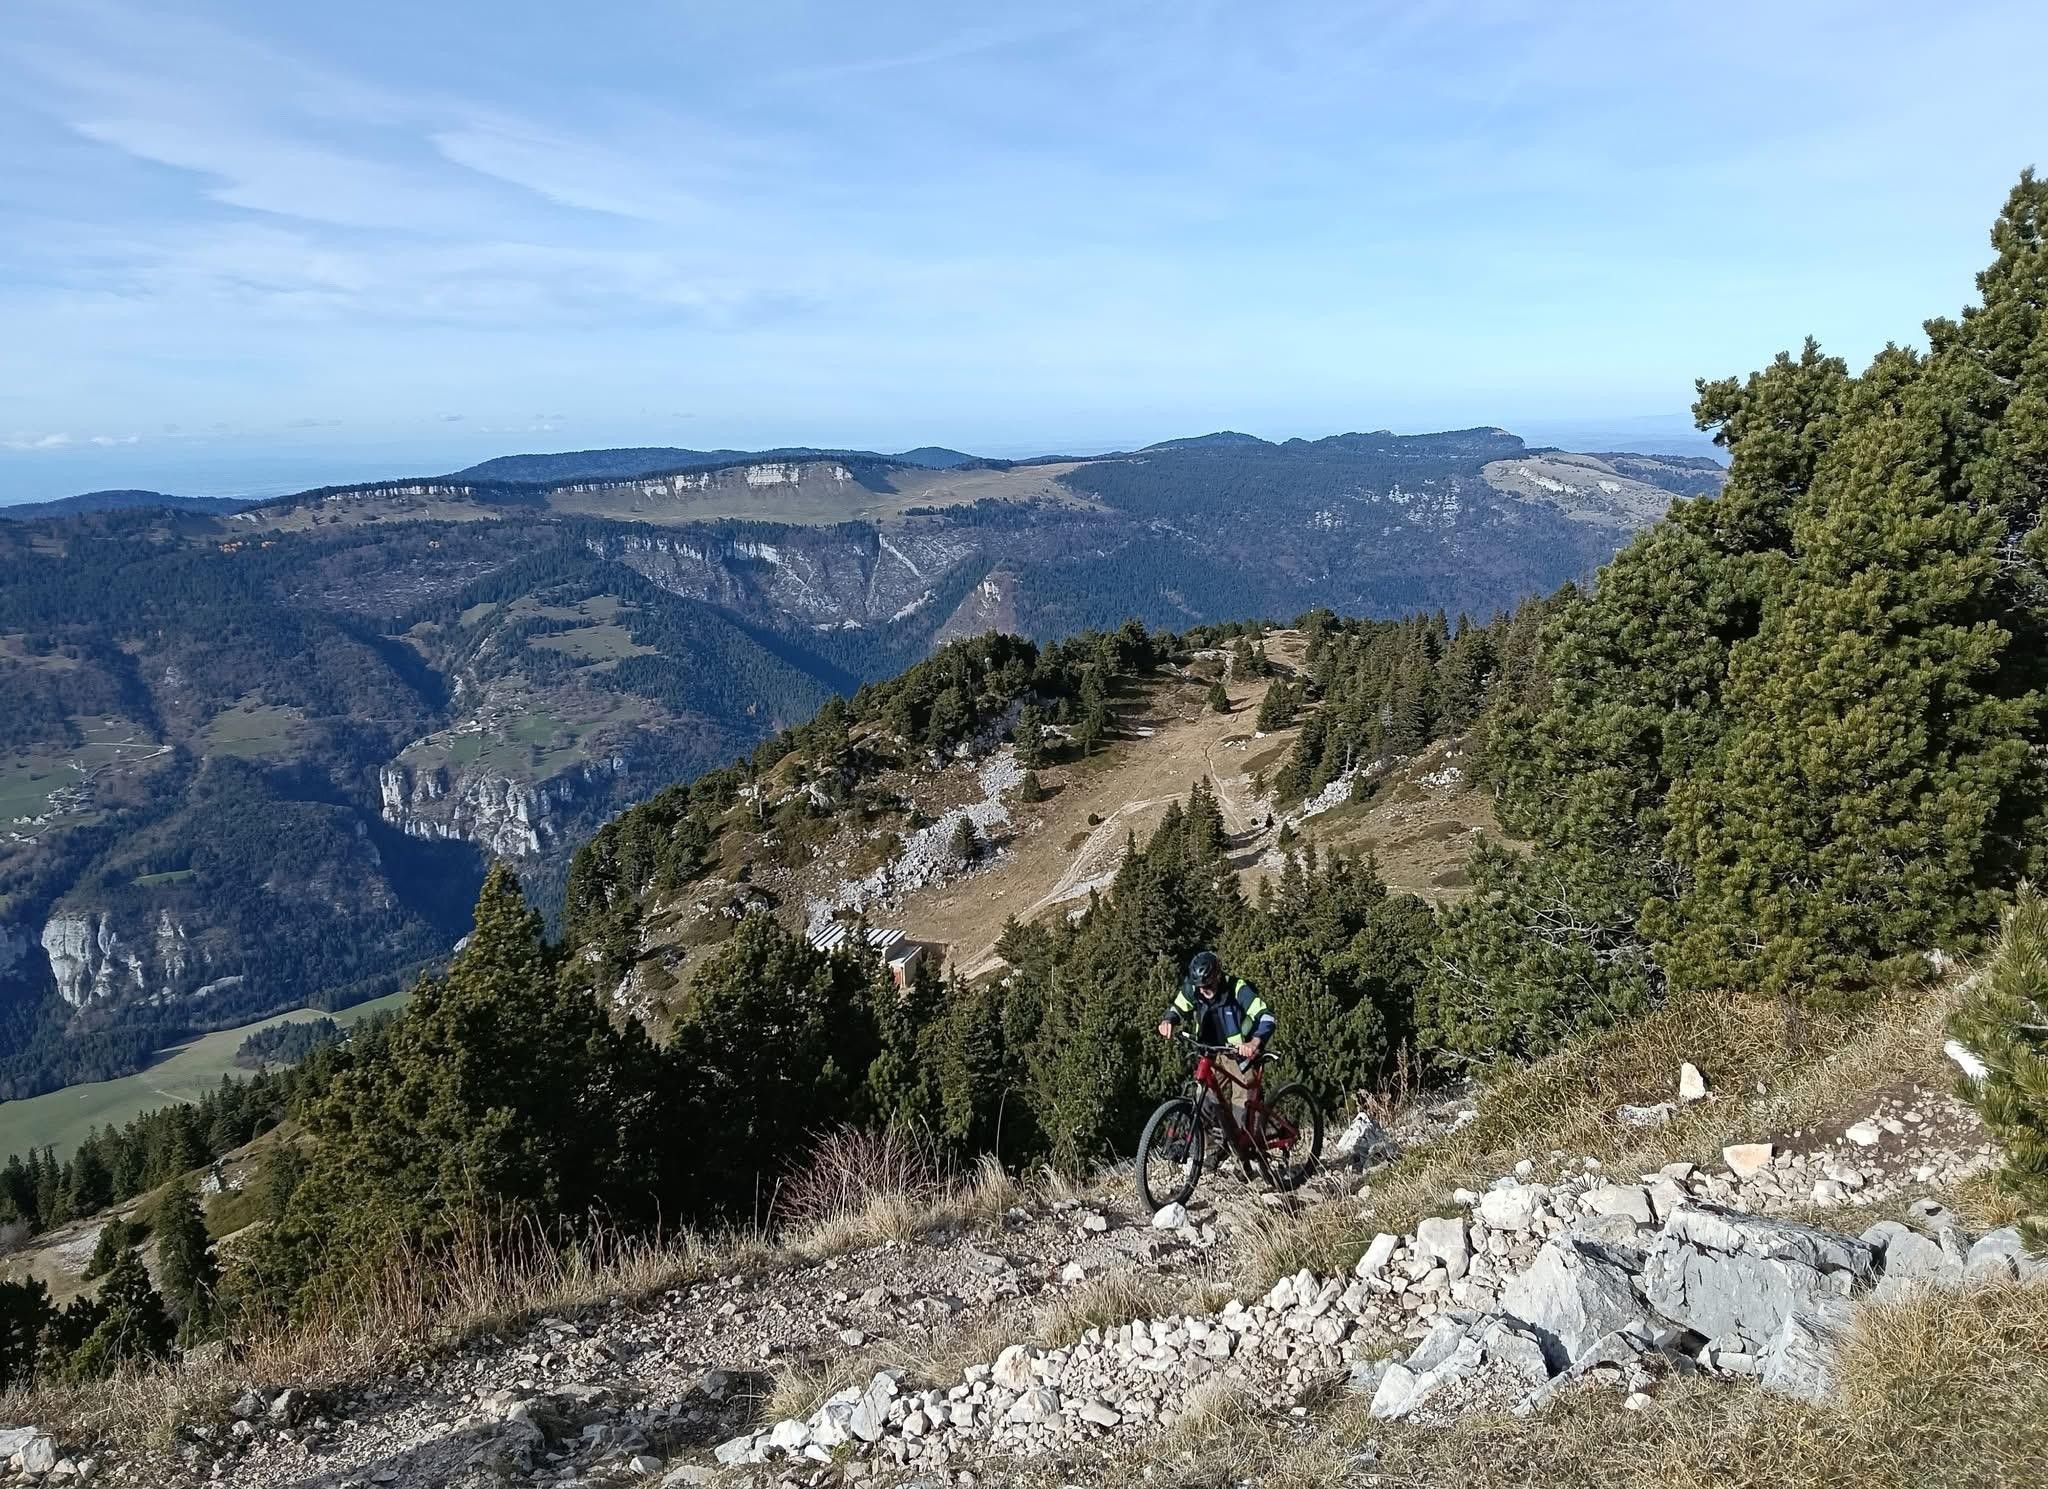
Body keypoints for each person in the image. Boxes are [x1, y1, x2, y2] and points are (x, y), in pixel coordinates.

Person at [1156, 950, 1275, 1130]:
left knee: (1242, 1107)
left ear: (1217, 977)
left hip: (1238, 1055)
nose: (1203, 990)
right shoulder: (1194, 988)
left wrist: (1254, 1042)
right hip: (1209, 1052)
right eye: (1199, 986)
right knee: (1203, 1102)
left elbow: (1266, 1016)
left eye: (1208, 985)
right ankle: (1211, 1151)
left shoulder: (1237, 989)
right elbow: (1178, 1007)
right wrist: (1168, 1020)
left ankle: (1251, 1147)